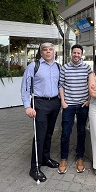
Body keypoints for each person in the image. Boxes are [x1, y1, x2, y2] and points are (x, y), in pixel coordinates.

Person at [21, 42, 61, 183]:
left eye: (51, 49)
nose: (48, 52)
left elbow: (60, 85)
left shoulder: (57, 67)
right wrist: (27, 106)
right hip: (40, 103)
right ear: (41, 52)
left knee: (49, 133)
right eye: (45, 50)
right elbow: (25, 87)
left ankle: (45, 158)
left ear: (54, 52)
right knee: (39, 135)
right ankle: (35, 168)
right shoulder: (34, 66)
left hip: (54, 103)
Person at [58, 44, 92, 174]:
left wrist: (88, 100)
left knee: (81, 132)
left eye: (78, 53)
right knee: (65, 133)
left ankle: (79, 157)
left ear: (81, 54)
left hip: (83, 106)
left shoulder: (87, 68)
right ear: (71, 53)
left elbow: (91, 85)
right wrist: (63, 101)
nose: (76, 55)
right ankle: (63, 158)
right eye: (74, 53)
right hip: (69, 105)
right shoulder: (65, 68)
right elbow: (61, 85)